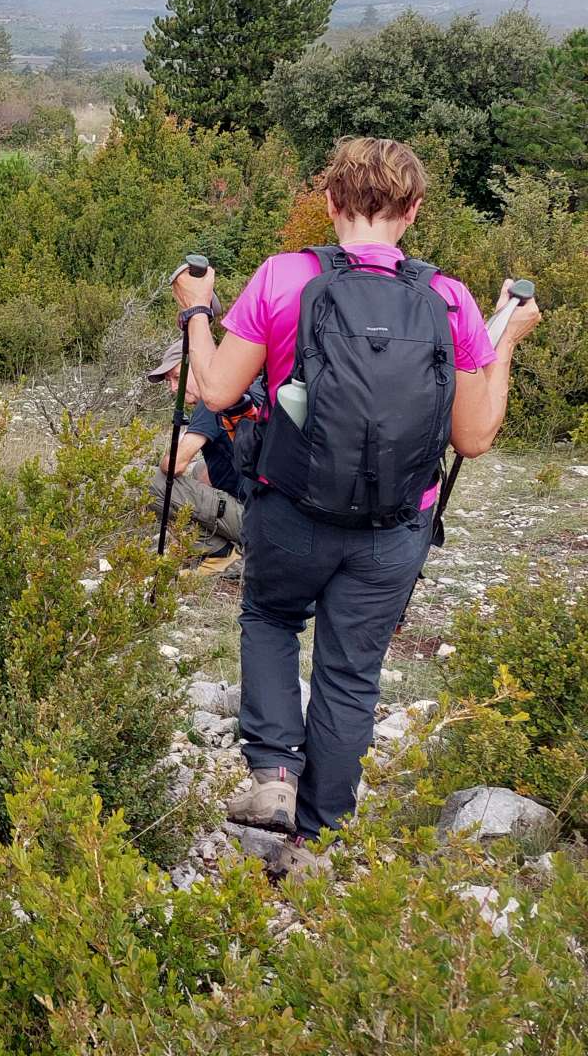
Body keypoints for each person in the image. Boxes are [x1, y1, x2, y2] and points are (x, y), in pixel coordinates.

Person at [173, 138, 541, 875]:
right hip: (395, 527)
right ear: (414, 210)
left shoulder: (284, 277)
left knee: (271, 618)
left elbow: (214, 390)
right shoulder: (449, 299)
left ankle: (275, 774)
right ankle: (318, 840)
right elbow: (473, 437)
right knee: (349, 673)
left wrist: (197, 310)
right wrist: (506, 344)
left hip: (291, 508)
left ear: (331, 202)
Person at [146, 342, 256, 558]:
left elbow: (174, 466)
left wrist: (170, 456)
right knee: (200, 470)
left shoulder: (212, 402)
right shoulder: (243, 388)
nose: (173, 388)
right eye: (169, 381)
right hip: (273, 511)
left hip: (254, 521)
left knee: (154, 483)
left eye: (177, 377)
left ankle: (218, 553)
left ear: (201, 367)